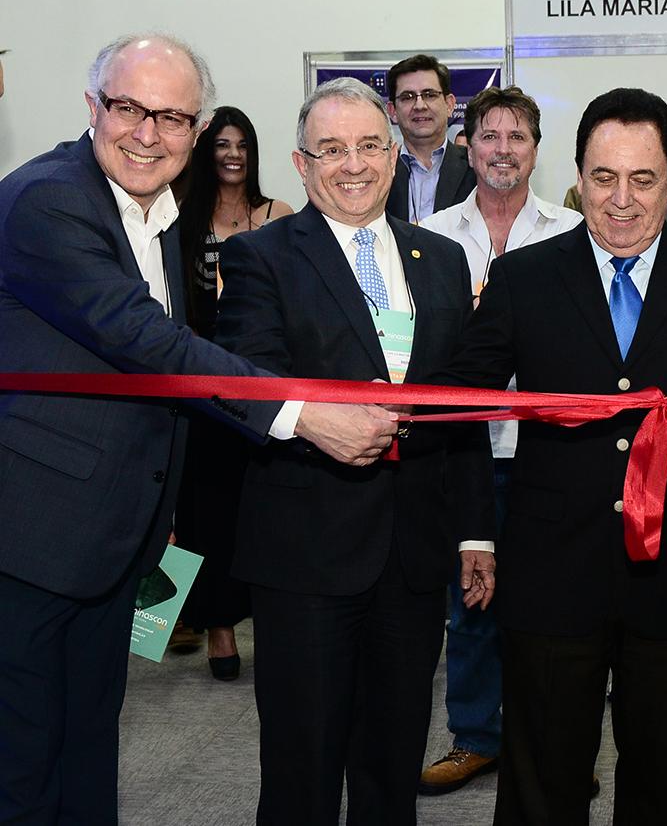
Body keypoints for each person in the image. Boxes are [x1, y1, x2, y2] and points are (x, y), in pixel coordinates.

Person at [0, 34, 394, 825]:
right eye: (129, 108)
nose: (149, 133)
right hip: (32, 538)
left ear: (198, 129)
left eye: (173, 117)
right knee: (23, 762)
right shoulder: (49, 199)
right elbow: (147, 341)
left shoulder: (156, 208)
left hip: (109, 536)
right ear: (92, 107)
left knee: (85, 745)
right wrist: (300, 412)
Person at [434, 87, 667, 825]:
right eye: (603, 178)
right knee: (541, 784)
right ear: (577, 177)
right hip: (549, 574)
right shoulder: (524, 278)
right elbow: (454, 405)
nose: (621, 202)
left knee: (661, 782)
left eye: (641, 179)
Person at [215, 77, 497, 826]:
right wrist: (318, 416)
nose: (354, 164)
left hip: (412, 555)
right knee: (302, 768)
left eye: (370, 145)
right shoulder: (260, 258)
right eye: (331, 149)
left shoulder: (439, 258)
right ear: (302, 165)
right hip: (306, 554)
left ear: (395, 154)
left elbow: (459, 403)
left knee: (391, 760)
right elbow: (243, 378)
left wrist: (473, 530)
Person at [416, 85, 582, 795]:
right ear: (468, 145)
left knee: (556, 611)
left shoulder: (572, 231)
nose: (502, 149)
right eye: (489, 136)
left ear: (536, 149)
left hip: (550, 452)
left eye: (517, 137)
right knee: (471, 604)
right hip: (467, 451)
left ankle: (553, 748)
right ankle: (476, 739)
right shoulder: (430, 235)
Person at [170, 104, 294, 681]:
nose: (232, 153)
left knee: (267, 510)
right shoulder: (180, 222)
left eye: (242, 143)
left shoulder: (279, 216)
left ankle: (273, 622)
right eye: (221, 144)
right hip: (201, 386)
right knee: (207, 510)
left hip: (263, 381)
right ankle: (214, 627)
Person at [384, 54, 476, 222]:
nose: (420, 105)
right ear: (392, 111)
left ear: (449, 105)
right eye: (408, 97)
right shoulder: (379, 171)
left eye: (430, 95)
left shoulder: (476, 167)